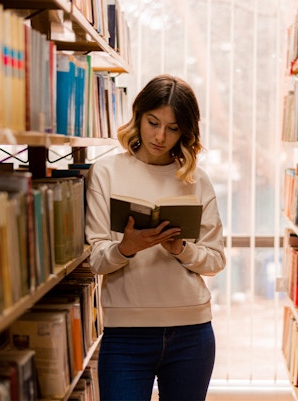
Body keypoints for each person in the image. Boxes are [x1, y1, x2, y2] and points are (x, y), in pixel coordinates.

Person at [85, 74, 226, 401]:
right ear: (138, 116)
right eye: (153, 122)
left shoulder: (196, 181)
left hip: (192, 332)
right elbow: (95, 260)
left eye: (173, 128)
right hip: (125, 336)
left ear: (185, 131)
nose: (161, 136)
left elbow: (216, 260)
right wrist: (125, 249)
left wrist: (182, 249)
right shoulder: (105, 172)